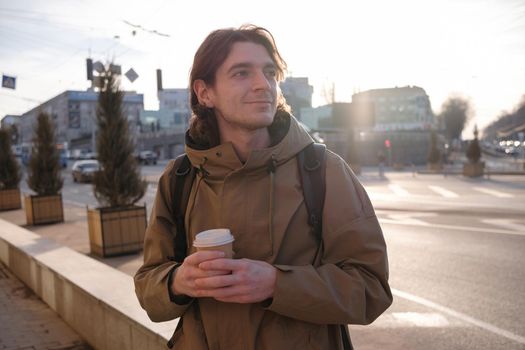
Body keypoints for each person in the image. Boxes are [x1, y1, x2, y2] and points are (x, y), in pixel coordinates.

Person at [134, 24, 392, 350]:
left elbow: (371, 289)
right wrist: (177, 282)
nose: (263, 85)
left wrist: (277, 284)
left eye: (269, 72)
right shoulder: (179, 178)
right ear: (205, 93)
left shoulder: (323, 170)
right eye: (241, 73)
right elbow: (147, 287)